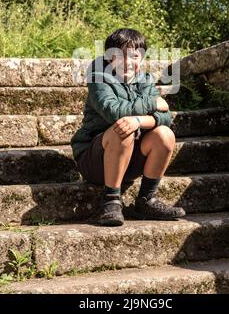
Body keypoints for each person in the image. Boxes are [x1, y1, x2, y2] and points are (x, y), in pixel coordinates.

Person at [71, 28, 185, 226]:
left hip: (130, 157)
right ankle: (111, 201)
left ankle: (146, 201)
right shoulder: (98, 74)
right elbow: (113, 111)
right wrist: (152, 103)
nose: (128, 62)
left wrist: (139, 121)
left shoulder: (145, 80)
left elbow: (166, 118)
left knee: (164, 134)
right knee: (122, 127)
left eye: (134, 56)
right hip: (95, 159)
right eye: (120, 56)